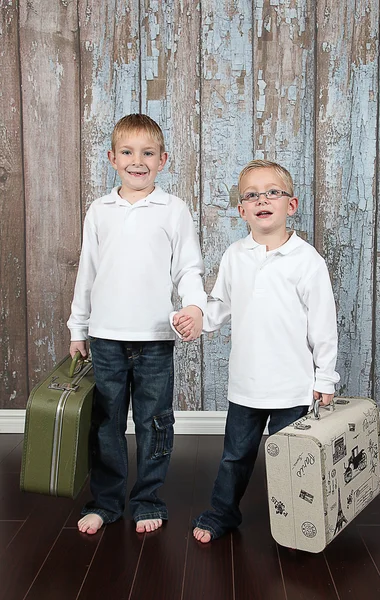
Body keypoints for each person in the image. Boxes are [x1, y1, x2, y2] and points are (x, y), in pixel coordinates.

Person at [173, 159, 340, 543]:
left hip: (293, 388)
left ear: (291, 205)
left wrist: (324, 377)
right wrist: (197, 318)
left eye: (272, 193)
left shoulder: (307, 262)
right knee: (235, 458)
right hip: (246, 386)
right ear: (242, 209)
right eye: (252, 195)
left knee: (294, 465)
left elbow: (324, 327)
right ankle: (222, 513)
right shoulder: (235, 256)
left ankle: (300, 524)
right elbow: (220, 305)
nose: (262, 200)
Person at [67, 114, 205, 535]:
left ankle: (147, 499)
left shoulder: (173, 210)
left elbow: (188, 268)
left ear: (163, 160)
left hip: (155, 340)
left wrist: (195, 307)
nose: (137, 160)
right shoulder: (100, 211)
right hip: (106, 337)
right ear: (112, 158)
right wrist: (78, 328)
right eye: (127, 152)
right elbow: (87, 272)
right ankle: (106, 502)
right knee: (105, 424)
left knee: (155, 422)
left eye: (148, 153)